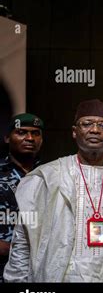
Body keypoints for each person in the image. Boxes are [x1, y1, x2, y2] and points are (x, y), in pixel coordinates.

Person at [4, 99, 103, 282]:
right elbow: (23, 241)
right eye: (87, 124)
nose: (95, 130)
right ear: (74, 132)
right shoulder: (48, 177)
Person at [0, 113, 43, 282]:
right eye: (22, 132)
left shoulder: (50, 174)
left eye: (35, 133)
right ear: (7, 138)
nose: (30, 138)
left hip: (38, 269)